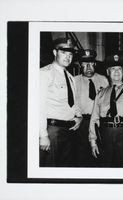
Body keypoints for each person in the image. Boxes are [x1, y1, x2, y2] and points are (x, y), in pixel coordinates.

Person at [89, 54, 123, 167]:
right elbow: (94, 118)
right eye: (113, 69)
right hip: (106, 134)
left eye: (119, 69)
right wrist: (93, 141)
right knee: (106, 166)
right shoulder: (101, 94)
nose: (116, 72)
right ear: (108, 72)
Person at [39, 38, 82, 167]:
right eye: (64, 53)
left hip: (69, 131)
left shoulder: (70, 77)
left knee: (64, 169)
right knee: (49, 169)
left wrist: (79, 117)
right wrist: (43, 135)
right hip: (53, 130)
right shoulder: (44, 74)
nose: (68, 57)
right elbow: (38, 107)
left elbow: (73, 103)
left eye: (70, 54)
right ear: (54, 52)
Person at [74, 49, 109, 167]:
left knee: (99, 156)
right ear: (80, 65)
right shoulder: (74, 81)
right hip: (82, 123)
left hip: (99, 123)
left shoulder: (103, 80)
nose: (88, 66)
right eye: (84, 63)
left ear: (95, 64)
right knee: (81, 156)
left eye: (91, 63)